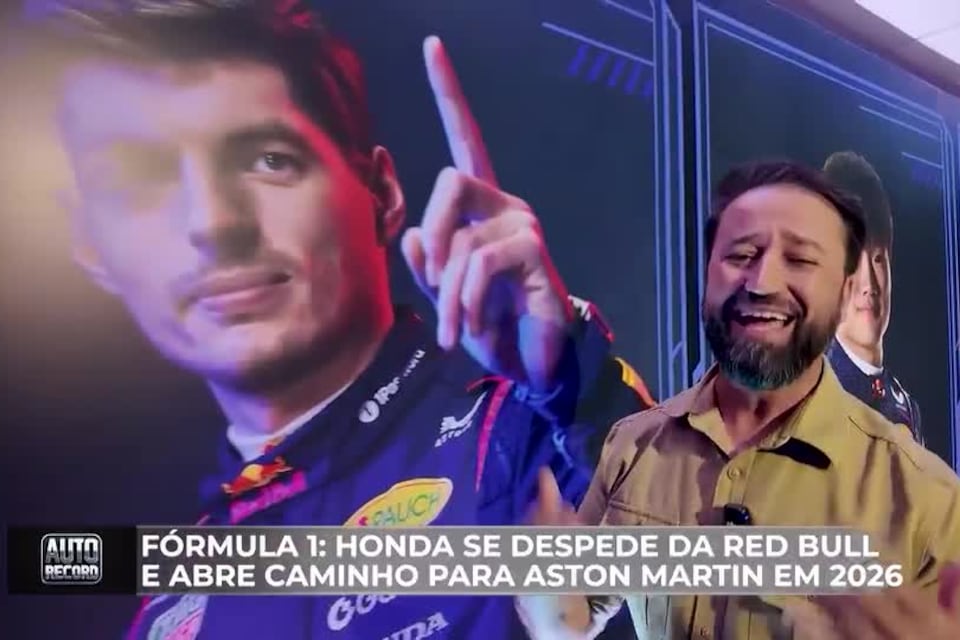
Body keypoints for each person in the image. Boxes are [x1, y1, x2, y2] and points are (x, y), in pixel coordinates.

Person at [19, 1, 655, 639]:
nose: (211, 223)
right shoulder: (169, 605)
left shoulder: (518, 446)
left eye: (269, 160)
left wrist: (576, 388)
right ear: (90, 246)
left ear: (381, 192)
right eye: (139, 180)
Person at [516, 159, 960, 640]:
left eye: (800, 260)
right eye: (741, 254)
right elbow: (578, 613)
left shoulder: (929, 501)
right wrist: (551, 606)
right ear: (708, 274)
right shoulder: (634, 446)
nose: (762, 283)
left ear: (845, 291)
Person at [823, 151, 923, 443]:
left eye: (878, 258)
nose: (869, 283)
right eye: (853, 262)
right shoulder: (814, 398)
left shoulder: (906, 405)